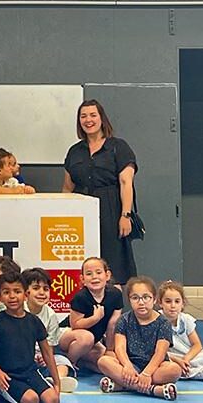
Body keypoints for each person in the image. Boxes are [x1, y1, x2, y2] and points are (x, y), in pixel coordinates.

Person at [63, 99, 138, 284]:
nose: (88, 120)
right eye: (83, 116)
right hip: (80, 211)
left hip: (111, 210)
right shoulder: (74, 151)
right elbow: (67, 187)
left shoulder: (118, 147)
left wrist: (125, 215)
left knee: (114, 264)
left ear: (102, 118)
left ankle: (115, 310)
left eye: (93, 115)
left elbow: (126, 182)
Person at [98, 276, 180, 399]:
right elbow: (120, 348)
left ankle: (122, 386)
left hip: (155, 368)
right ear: (129, 300)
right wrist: (127, 366)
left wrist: (147, 373)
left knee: (174, 370)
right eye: (135, 298)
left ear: (154, 299)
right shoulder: (124, 320)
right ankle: (152, 389)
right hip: (130, 366)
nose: (141, 302)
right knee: (104, 361)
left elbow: (160, 353)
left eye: (146, 297)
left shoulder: (163, 323)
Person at [0, 272, 60, 403]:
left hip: (31, 373)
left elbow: (47, 353)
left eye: (17, 291)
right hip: (8, 376)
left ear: (26, 295)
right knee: (31, 399)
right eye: (6, 292)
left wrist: (57, 383)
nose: (12, 296)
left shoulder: (34, 321)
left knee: (52, 398)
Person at [57, 257, 123, 374]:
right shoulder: (81, 297)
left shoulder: (115, 294)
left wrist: (109, 349)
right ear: (82, 279)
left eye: (98, 272)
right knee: (86, 338)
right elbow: (75, 325)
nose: (94, 277)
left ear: (107, 275)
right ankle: (68, 363)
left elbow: (113, 324)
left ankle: (82, 362)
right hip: (69, 336)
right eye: (89, 274)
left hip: (93, 341)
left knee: (108, 362)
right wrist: (95, 318)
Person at [21, 268, 78, 393]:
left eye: (46, 289)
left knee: (63, 363)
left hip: (42, 356)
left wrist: (43, 357)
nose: (42, 292)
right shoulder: (19, 311)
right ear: (26, 293)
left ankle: (55, 380)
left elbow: (50, 345)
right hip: (21, 357)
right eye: (36, 288)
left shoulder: (51, 314)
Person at [157, 280, 203, 381]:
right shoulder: (156, 320)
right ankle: (190, 372)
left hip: (186, 356)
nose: (173, 305)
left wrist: (186, 359)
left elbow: (197, 345)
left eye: (177, 301)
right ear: (160, 303)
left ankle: (186, 370)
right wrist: (177, 360)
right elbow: (156, 350)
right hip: (169, 356)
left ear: (183, 303)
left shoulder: (186, 319)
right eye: (168, 301)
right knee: (160, 360)